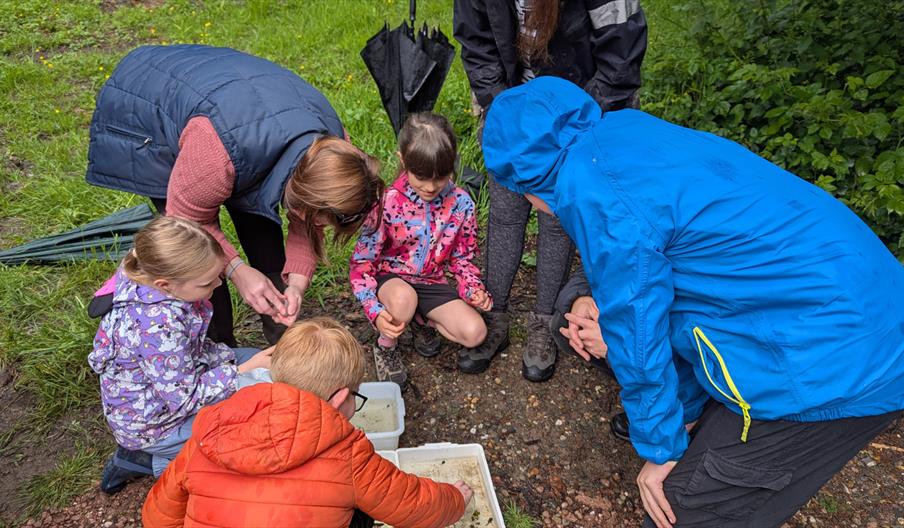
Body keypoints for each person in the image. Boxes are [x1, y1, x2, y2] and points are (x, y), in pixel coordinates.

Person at [483, 76, 904, 528]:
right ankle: (698, 423)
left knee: (675, 513)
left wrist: (661, 448)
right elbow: (669, 289)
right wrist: (677, 418)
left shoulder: (591, 191)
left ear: (526, 185)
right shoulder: (624, 132)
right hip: (854, 298)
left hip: (833, 355)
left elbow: (638, 328)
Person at [85, 44, 383, 347]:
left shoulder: (337, 155)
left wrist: (296, 284)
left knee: (262, 232)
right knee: (196, 262)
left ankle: (280, 332)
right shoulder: (213, 156)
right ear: (305, 194)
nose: (321, 224)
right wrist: (238, 271)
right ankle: (219, 344)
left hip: (245, 115)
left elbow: (308, 220)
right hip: (150, 98)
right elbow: (188, 221)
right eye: (322, 217)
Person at [453, 0, 648, 382]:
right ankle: (494, 313)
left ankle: (544, 321)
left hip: (579, 117)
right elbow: (476, 44)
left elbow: (621, 56)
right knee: (506, 213)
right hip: (513, 110)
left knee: (557, 220)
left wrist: (572, 128)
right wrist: (505, 112)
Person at [141, 317, 473, 528]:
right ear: (341, 398)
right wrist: (454, 500)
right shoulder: (348, 452)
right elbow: (412, 504)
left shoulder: (215, 425)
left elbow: (158, 514)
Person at [88, 216, 273, 494]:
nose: (219, 286)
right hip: (155, 423)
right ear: (165, 285)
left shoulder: (145, 267)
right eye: (207, 283)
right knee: (245, 426)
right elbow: (184, 399)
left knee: (256, 362)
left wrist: (243, 364)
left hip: (175, 377)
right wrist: (241, 372)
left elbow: (184, 358)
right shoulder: (158, 327)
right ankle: (151, 462)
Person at [350, 113, 492, 390]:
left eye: (440, 177)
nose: (430, 187)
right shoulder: (386, 203)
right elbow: (362, 264)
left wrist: (472, 289)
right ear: (403, 160)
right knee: (403, 298)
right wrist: (375, 310)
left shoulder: (462, 204)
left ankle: (419, 320)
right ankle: (386, 345)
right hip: (391, 280)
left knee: (475, 333)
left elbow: (462, 258)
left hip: (430, 282)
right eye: (421, 177)